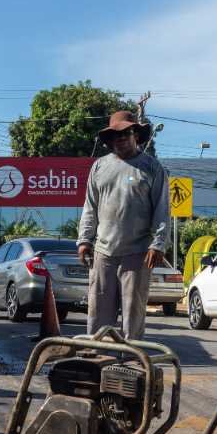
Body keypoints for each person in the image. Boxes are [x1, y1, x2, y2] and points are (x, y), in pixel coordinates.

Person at [76, 110, 169, 339]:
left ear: (135, 134)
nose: (120, 138)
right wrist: (84, 241)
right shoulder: (99, 167)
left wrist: (158, 244)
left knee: (132, 311)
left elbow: (162, 210)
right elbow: (90, 207)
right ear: (109, 140)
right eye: (114, 135)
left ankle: (129, 357)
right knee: (98, 311)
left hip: (137, 252)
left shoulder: (152, 167)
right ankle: (96, 354)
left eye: (126, 133)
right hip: (103, 252)